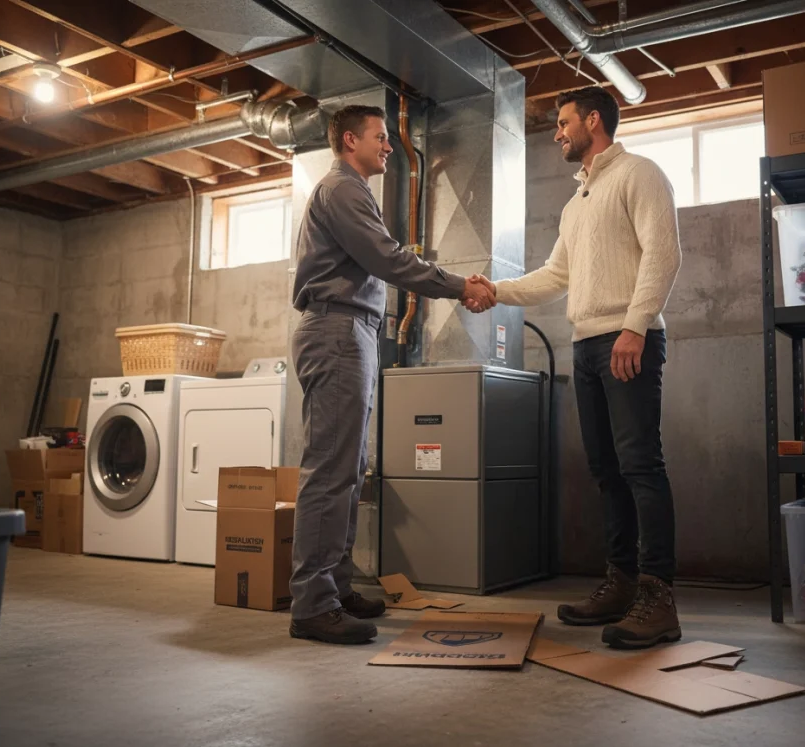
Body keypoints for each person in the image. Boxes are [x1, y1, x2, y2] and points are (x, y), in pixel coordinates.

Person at [470, 87, 682, 649]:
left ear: (593, 121)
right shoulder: (577, 202)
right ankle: (621, 584)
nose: (557, 133)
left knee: (641, 467)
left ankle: (659, 601)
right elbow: (552, 276)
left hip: (628, 340)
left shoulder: (639, 174)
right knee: (607, 473)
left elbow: (663, 253)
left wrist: (636, 326)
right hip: (587, 346)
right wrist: (497, 291)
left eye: (563, 123)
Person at [288, 104, 495, 645]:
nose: (389, 146)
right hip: (336, 328)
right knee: (331, 471)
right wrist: (457, 286)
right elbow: (387, 258)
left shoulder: (353, 192)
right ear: (350, 139)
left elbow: (382, 259)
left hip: (351, 329)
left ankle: (334, 586)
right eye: (381, 138)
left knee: (350, 470)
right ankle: (312, 603)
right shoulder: (342, 190)